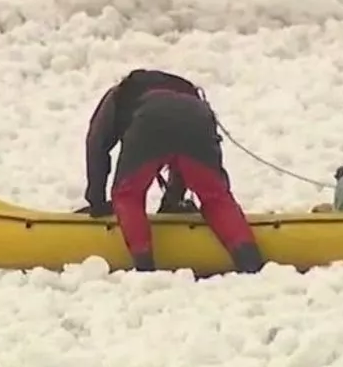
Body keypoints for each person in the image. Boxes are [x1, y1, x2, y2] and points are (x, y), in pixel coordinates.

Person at [80, 69, 267, 274]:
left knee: (128, 195)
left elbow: (96, 144)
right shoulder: (186, 92)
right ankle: (251, 263)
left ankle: (145, 267)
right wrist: (173, 200)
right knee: (216, 198)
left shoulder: (117, 96)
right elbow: (181, 156)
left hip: (150, 118)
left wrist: (96, 201)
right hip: (197, 116)